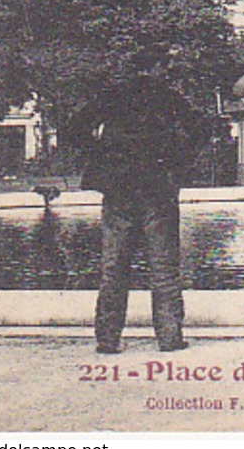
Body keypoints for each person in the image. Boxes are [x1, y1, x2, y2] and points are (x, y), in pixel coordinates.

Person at [77, 53, 203, 354]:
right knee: (164, 267)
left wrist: (102, 156)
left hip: (118, 187)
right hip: (158, 187)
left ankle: (108, 339)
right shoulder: (167, 96)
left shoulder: (112, 96)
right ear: (155, 67)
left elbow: (76, 129)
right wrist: (177, 161)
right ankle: (170, 337)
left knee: (113, 266)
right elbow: (200, 131)